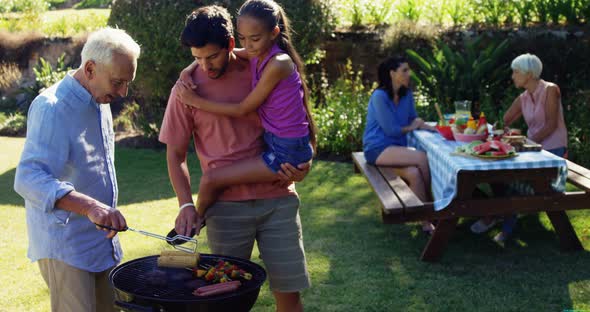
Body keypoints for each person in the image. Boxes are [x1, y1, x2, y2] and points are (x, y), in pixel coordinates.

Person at [159, 5, 311, 312]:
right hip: (226, 208)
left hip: (278, 198)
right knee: (227, 299)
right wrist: (186, 204)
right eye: (196, 58)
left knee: (289, 294)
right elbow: (175, 156)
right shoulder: (186, 89)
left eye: (211, 56)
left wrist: (303, 163)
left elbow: (299, 119)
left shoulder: (260, 65)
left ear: (231, 44)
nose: (204, 65)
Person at [13, 27, 140, 312]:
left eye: (127, 83)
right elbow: (28, 178)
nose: (122, 93)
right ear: (91, 68)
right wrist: (90, 207)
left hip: (100, 243)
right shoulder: (51, 107)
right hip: (66, 247)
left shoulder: (99, 99)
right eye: (118, 82)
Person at [175, 0, 315, 218]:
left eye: (255, 38)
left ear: (274, 33)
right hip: (278, 142)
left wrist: (194, 100)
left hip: (285, 150)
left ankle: (195, 222)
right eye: (243, 38)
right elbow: (228, 52)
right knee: (212, 180)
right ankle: (196, 221)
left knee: (212, 179)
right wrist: (189, 68)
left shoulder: (278, 64)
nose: (248, 46)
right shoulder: (258, 54)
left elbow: (242, 109)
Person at [470, 53, 568, 242]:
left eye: (516, 72)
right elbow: (503, 121)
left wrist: (524, 141)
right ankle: (501, 216)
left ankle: (505, 226)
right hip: (531, 151)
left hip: (552, 153)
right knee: (498, 174)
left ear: (528, 74)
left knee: (508, 178)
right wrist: (505, 131)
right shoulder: (524, 97)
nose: (512, 76)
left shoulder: (550, 90)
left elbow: (551, 125)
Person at [362, 56, 436, 234]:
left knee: (415, 173)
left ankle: (425, 221)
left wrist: (431, 128)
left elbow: (413, 119)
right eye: (404, 70)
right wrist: (413, 126)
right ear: (392, 74)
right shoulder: (379, 96)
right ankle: (435, 207)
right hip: (377, 148)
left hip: (395, 149)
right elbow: (391, 130)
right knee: (421, 157)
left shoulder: (407, 94)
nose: (409, 73)